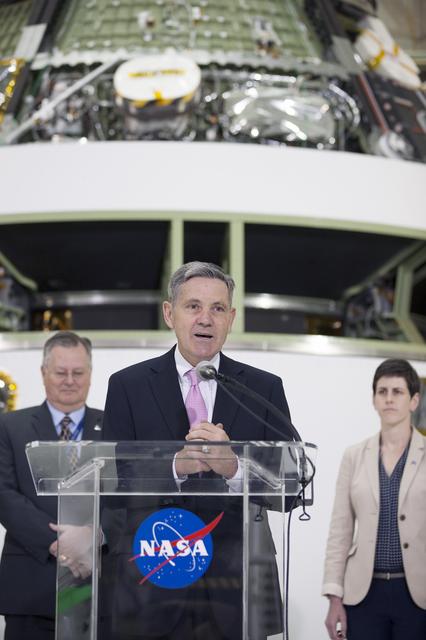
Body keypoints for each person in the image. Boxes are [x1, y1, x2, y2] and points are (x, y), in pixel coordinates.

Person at [102, 261, 295, 640]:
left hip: (236, 581)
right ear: (169, 313)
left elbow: (289, 487)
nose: (206, 318)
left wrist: (234, 467)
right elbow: (112, 483)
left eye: (217, 308)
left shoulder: (263, 389)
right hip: (153, 576)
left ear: (231, 318)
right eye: (193, 306)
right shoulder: (128, 385)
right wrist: (176, 465)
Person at [0, 331, 103, 640]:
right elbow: (4, 495)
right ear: (44, 373)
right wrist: (59, 543)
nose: (69, 380)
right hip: (31, 583)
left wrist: (92, 536)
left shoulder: (114, 425)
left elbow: (124, 497)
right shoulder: (9, 426)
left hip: (99, 584)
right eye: (60, 372)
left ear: (90, 374)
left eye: (78, 372)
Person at [322, 358, 426, 640]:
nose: (389, 399)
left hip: (417, 594)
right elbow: (340, 530)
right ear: (374, 399)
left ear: (414, 401)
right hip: (364, 595)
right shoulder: (354, 456)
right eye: (382, 392)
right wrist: (334, 596)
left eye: (397, 392)